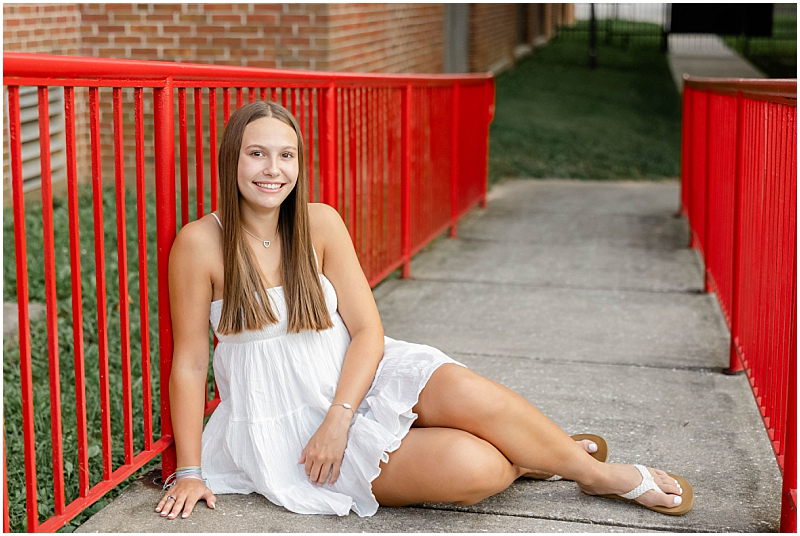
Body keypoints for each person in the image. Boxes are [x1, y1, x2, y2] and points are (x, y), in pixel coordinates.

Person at [155, 101, 694, 520]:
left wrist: (341, 417)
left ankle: (592, 473)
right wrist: (189, 470)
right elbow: (191, 364)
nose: (273, 169)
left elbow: (367, 331)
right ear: (232, 157)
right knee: (478, 466)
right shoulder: (201, 244)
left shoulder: (319, 223)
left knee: (458, 387)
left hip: (358, 380)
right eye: (257, 153)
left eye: (286, 154)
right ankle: (532, 455)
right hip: (292, 425)